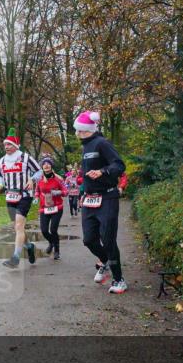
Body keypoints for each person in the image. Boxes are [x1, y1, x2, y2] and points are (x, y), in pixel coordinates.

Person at [74, 111, 128, 294]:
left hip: (107, 197)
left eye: (80, 131)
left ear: (88, 130)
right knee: (89, 239)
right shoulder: (86, 147)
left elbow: (119, 165)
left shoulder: (102, 143)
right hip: (90, 198)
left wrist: (103, 172)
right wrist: (83, 193)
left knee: (108, 239)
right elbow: (86, 176)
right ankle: (105, 261)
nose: (77, 134)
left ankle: (119, 279)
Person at [0, 129, 40, 269]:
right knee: (18, 228)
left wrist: (32, 180)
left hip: (24, 196)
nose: (6, 147)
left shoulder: (26, 158)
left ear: (15, 145)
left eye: (9, 145)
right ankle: (29, 246)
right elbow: (0, 176)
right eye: (5, 145)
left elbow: (39, 171)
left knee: (19, 226)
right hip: (10, 196)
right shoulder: (2, 161)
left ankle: (15, 257)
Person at [35, 155, 68, 260]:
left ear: (51, 166)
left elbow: (66, 192)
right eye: (44, 164)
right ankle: (52, 242)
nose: (46, 165)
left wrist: (58, 192)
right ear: (42, 167)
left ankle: (57, 251)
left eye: (48, 163)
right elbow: (37, 191)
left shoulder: (58, 179)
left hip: (57, 208)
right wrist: (36, 197)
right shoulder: (39, 179)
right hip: (44, 208)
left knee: (53, 230)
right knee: (44, 231)